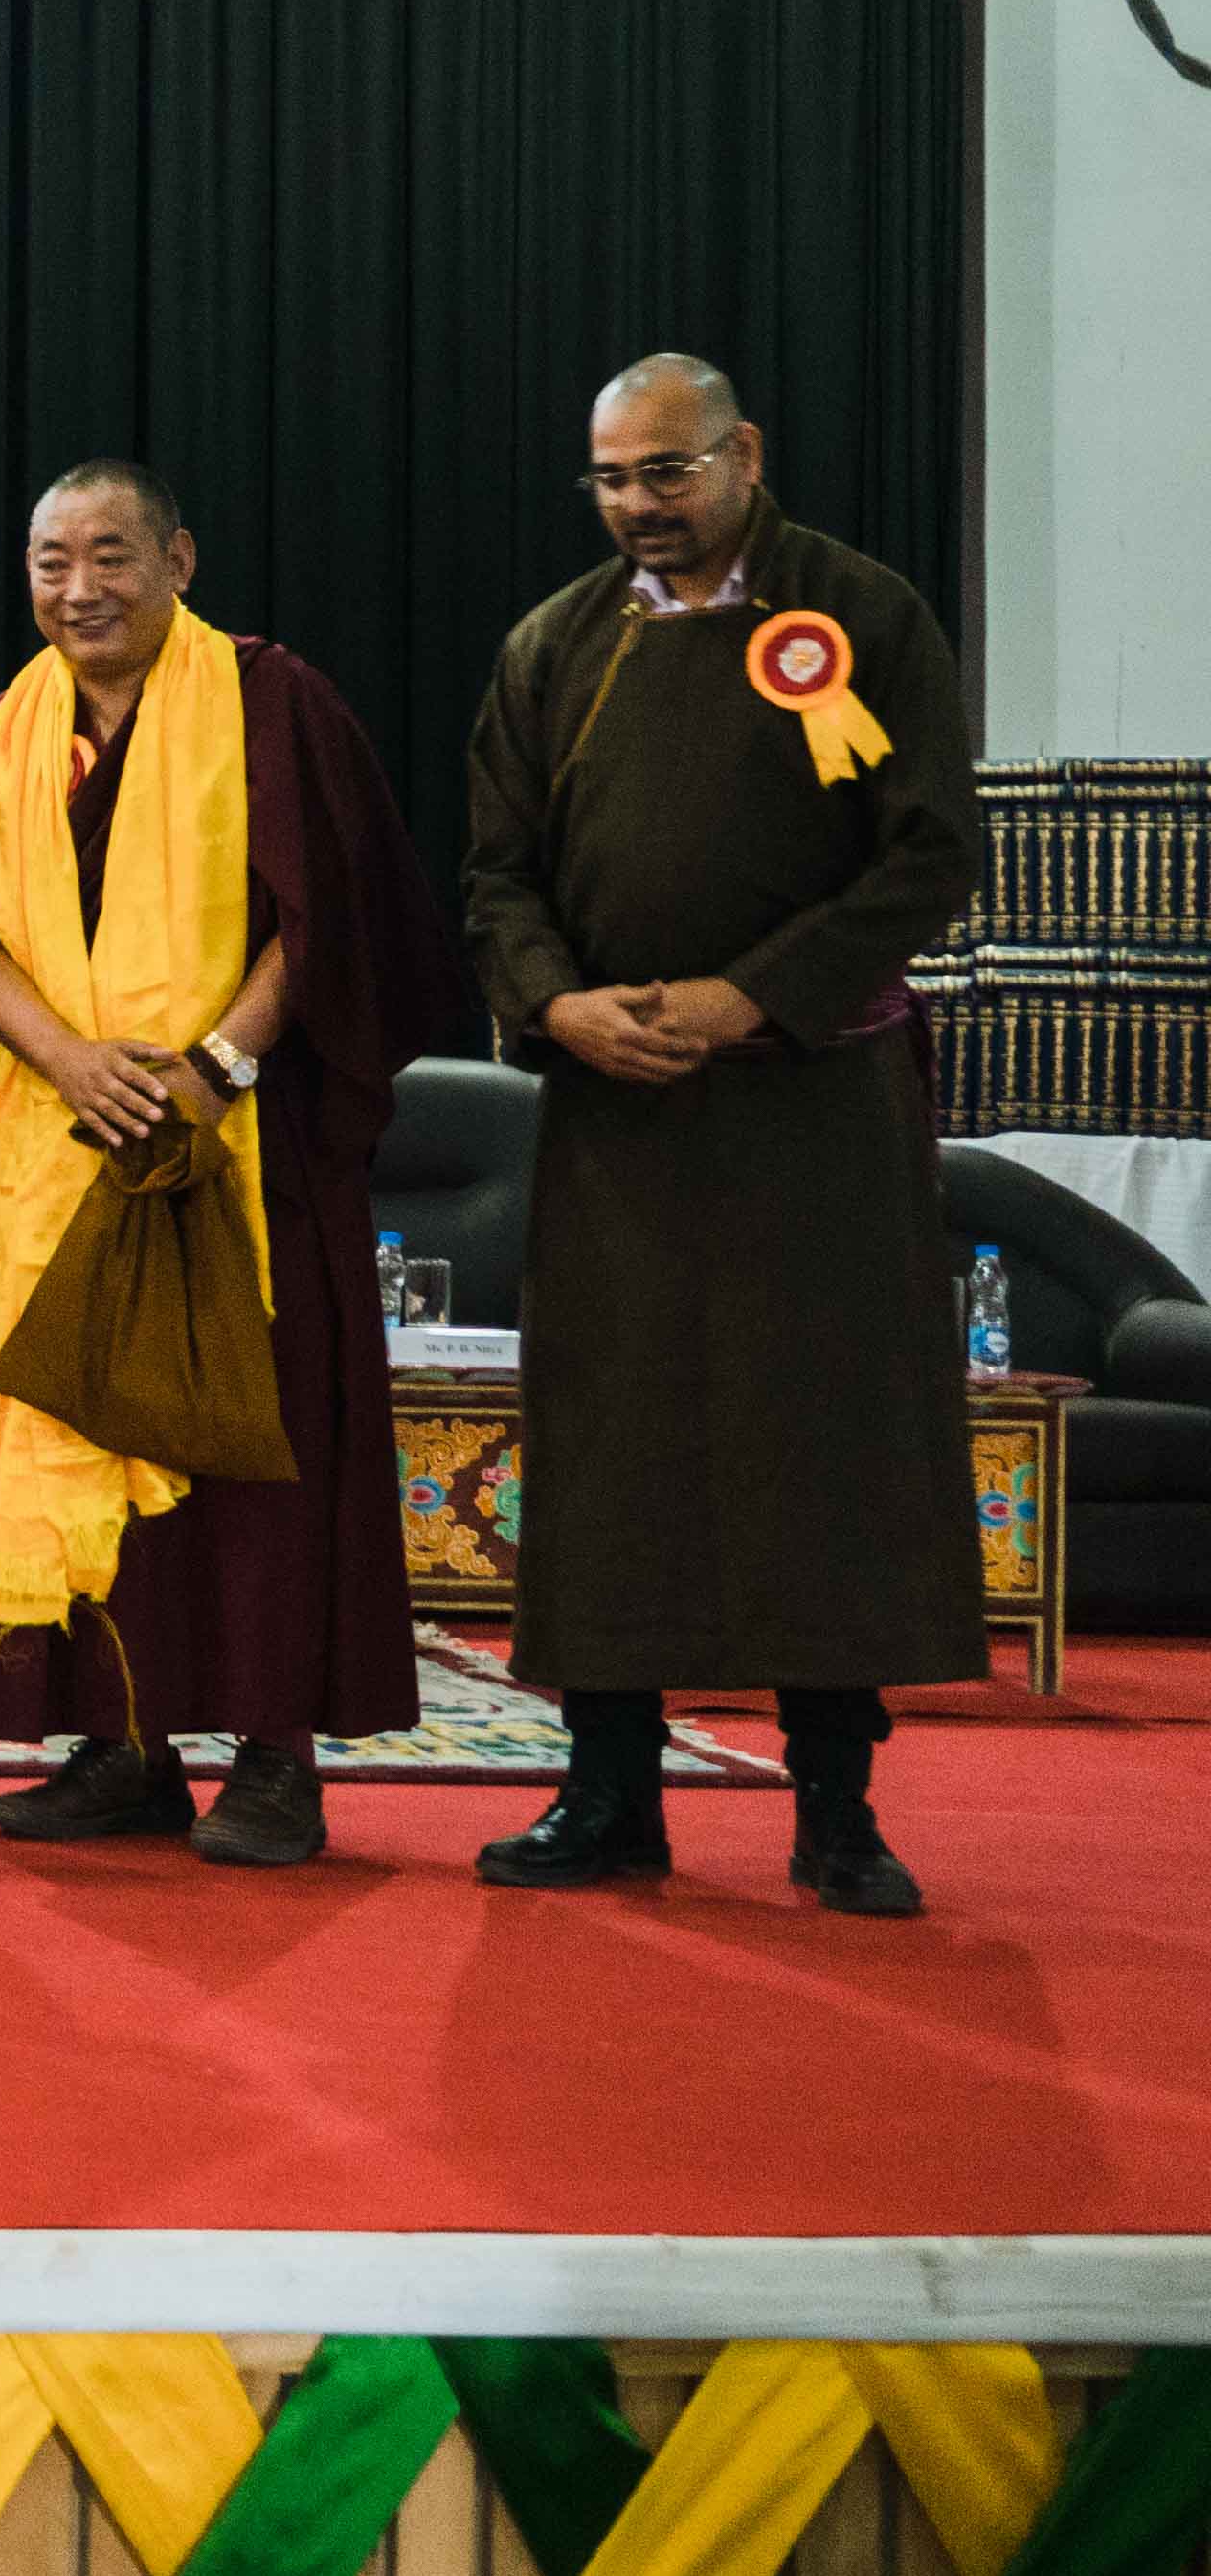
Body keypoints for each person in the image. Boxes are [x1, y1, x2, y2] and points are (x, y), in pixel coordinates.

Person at [465, 355, 980, 1915]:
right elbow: (497, 877)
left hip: (812, 1109)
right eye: (612, 480)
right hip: (617, 1115)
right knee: (611, 1452)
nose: (639, 505)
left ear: (744, 454)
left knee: (822, 1443)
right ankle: (608, 1791)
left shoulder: (862, 616)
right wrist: (560, 1007)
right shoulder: (554, 644)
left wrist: (748, 998)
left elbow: (929, 854)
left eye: (667, 473)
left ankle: (838, 1810)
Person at [0, 462, 451, 1867]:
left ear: (180, 559)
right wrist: (70, 1060)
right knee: (85, 1425)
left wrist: (217, 1065)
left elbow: (326, 917)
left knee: (254, 1439)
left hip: (241, 1142)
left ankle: (276, 1759)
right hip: (64, 1135)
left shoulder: (276, 703)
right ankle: (123, 1747)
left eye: (111, 555)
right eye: (51, 561)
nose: (79, 588)